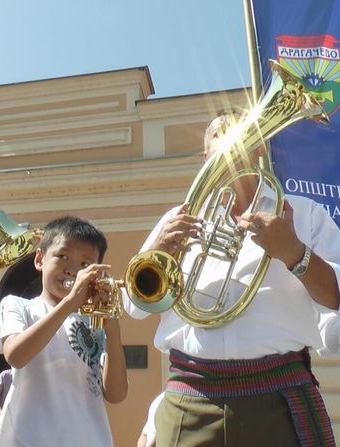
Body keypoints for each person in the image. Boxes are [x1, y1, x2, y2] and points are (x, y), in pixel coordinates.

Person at [125, 111, 340, 446]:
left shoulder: (304, 211)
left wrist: (294, 251)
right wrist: (157, 250)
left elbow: (336, 296)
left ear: (259, 149)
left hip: (280, 397)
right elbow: (134, 306)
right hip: (189, 396)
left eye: (242, 141)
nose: (231, 153)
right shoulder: (178, 217)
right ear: (205, 160)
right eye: (220, 146)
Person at [0, 216, 128, 447]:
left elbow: (116, 394)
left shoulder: (93, 322)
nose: (72, 270)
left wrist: (112, 330)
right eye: (62, 257)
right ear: (40, 259)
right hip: (26, 439)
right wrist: (71, 303)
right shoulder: (18, 306)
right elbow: (16, 355)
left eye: (85, 264)